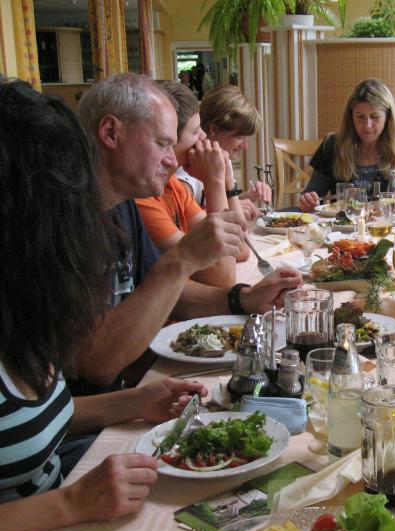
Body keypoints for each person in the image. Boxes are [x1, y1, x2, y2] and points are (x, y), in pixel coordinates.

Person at [0, 78, 208, 531]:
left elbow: (28, 424)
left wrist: (132, 402)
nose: (82, 206)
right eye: (63, 187)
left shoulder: (22, 301)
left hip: (65, 506)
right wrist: (70, 503)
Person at [74, 73, 302, 395]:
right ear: (110, 132)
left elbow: (172, 296)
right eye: (161, 144)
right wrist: (182, 259)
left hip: (129, 392)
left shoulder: (122, 207)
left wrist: (244, 298)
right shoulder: (63, 222)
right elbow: (97, 364)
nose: (172, 160)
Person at [136, 81, 240, 287]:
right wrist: (214, 181)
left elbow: (239, 248)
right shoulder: (143, 200)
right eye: (194, 132)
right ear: (170, 137)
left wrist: (227, 182)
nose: (203, 137)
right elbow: (223, 276)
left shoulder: (173, 186)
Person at [298, 79, 395, 214]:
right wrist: (308, 203)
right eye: (360, 117)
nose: (367, 125)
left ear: (388, 118)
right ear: (351, 116)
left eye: (374, 117)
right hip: (342, 226)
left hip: (385, 225)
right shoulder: (331, 146)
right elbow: (312, 195)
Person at [176, 84, 270, 216]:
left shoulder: (222, 158)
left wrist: (248, 197)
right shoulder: (187, 171)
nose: (245, 146)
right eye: (239, 137)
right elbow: (180, 219)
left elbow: (219, 203)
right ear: (214, 129)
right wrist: (235, 209)